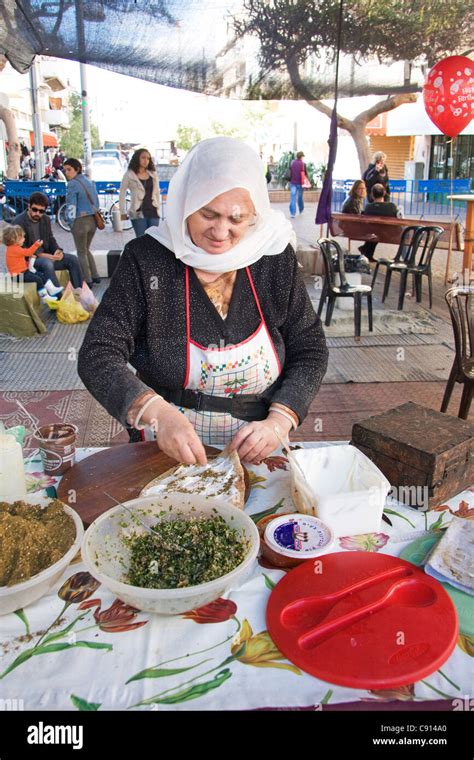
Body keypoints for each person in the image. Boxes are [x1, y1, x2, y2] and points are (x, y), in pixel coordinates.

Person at [78, 137, 329, 466]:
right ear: (184, 204)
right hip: (162, 449)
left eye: (237, 219)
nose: (221, 232)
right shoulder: (147, 260)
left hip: (259, 448)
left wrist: (280, 420)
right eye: (207, 215)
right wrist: (156, 414)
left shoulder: (273, 257)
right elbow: (98, 353)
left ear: (255, 214)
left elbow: (310, 346)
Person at [14, 192, 84, 289]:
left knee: (73, 259)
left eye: (41, 211)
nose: (37, 213)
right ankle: (59, 297)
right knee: (47, 263)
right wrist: (44, 256)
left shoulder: (45, 219)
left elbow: (50, 239)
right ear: (29, 206)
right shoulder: (18, 222)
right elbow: (19, 250)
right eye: (34, 209)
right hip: (28, 262)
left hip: (47, 256)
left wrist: (57, 251)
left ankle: (78, 292)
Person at [63, 158, 101, 289]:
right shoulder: (88, 181)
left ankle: (87, 279)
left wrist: (70, 221)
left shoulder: (72, 184)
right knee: (86, 249)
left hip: (80, 220)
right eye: (65, 170)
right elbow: (96, 202)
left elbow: (71, 205)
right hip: (92, 220)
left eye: (69, 169)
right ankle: (95, 275)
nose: (66, 173)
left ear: (77, 169)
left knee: (81, 251)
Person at [3, 224, 62, 303]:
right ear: (15, 240)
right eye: (22, 238)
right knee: (37, 279)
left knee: (40, 275)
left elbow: (21, 258)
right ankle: (44, 297)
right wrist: (36, 245)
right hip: (17, 275)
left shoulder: (13, 248)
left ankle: (51, 289)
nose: (24, 239)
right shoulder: (14, 249)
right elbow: (28, 252)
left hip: (22, 272)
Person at [119, 148, 160, 237]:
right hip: (138, 212)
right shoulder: (129, 175)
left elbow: (157, 193)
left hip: (153, 212)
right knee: (141, 240)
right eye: (143, 157)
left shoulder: (153, 174)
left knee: (154, 240)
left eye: (148, 158)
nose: (146, 160)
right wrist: (122, 212)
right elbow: (122, 193)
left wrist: (158, 208)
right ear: (137, 158)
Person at [359, 183, 399, 261]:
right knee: (404, 234)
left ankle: (366, 251)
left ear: (372, 195)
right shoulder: (392, 206)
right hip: (389, 234)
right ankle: (400, 257)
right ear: (384, 193)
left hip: (372, 233)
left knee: (375, 231)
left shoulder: (368, 207)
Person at [289, 151, 306, 218]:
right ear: (301, 156)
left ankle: (292, 213)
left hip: (293, 183)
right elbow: (304, 173)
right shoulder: (302, 163)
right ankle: (301, 209)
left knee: (293, 198)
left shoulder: (292, 162)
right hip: (300, 183)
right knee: (300, 197)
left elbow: (290, 170)